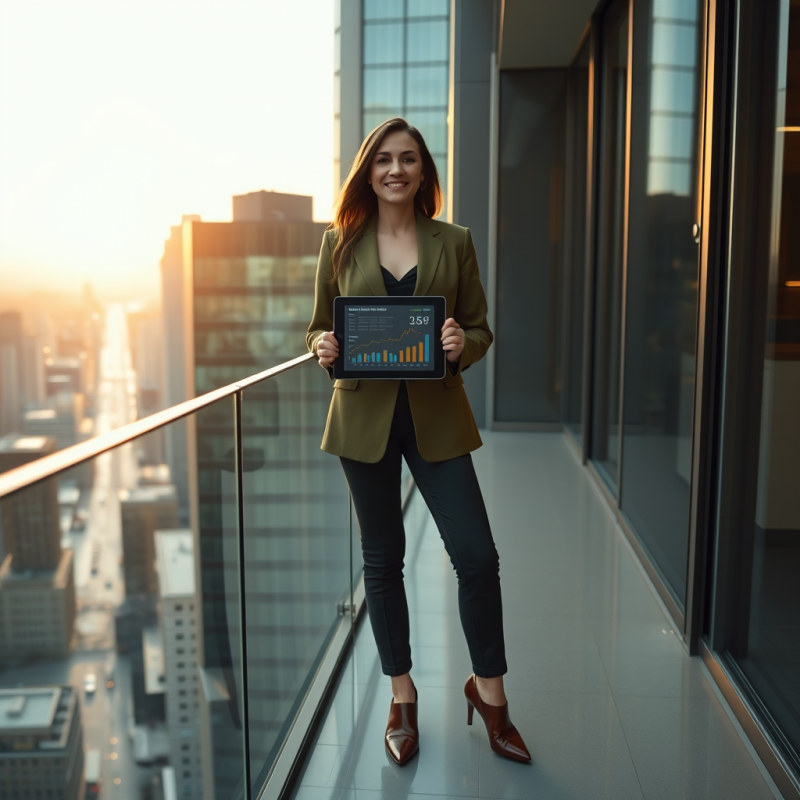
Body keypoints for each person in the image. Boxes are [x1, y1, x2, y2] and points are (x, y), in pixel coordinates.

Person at [307, 117, 530, 766]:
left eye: (408, 159)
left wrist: (464, 345)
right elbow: (320, 327)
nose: (395, 169)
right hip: (362, 421)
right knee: (382, 561)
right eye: (383, 160)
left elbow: (482, 329)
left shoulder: (453, 242)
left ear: (424, 171)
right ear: (368, 171)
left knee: (477, 555)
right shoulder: (339, 243)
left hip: (436, 417)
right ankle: (402, 695)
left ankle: (489, 692)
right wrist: (322, 347)